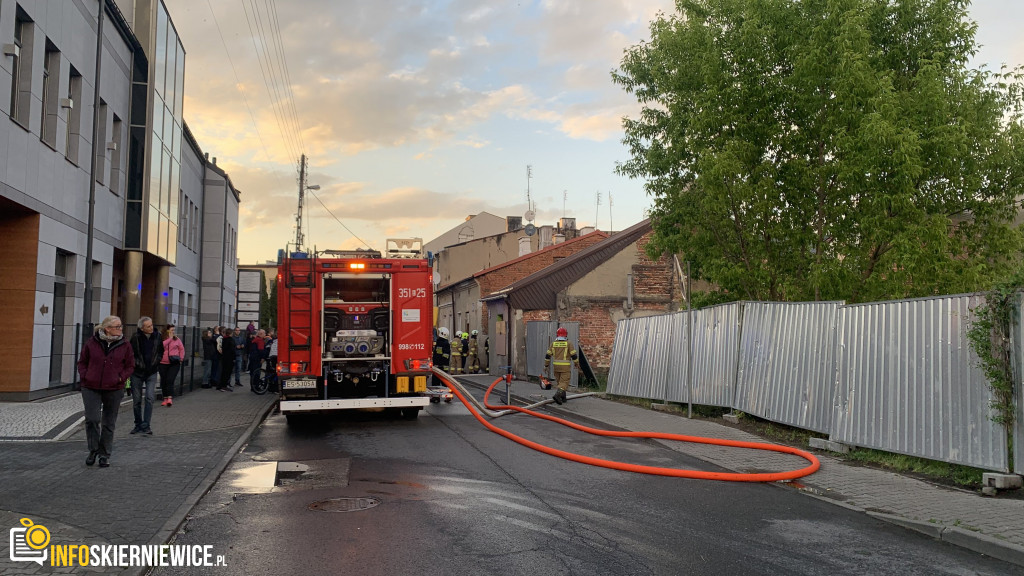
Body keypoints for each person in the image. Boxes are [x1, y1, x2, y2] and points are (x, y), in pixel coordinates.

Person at [77, 316, 134, 468]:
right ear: (107, 328)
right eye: (117, 327)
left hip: (114, 388)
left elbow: (130, 365)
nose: (121, 329)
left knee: (109, 422)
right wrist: (85, 376)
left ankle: (104, 454)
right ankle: (93, 449)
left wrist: (120, 378)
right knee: (92, 419)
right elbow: (82, 362)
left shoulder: (125, 344)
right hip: (91, 387)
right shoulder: (92, 342)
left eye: (121, 326)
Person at [129, 316, 164, 434]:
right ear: (142, 328)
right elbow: (131, 354)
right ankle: (138, 424)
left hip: (152, 372)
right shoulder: (135, 337)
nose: (151, 327)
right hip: (137, 373)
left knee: (150, 397)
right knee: (136, 400)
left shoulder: (157, 336)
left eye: (152, 325)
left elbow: (160, 351)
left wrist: (156, 362)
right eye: (148, 326)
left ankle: (146, 424)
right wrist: (137, 364)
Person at [544, 326, 581, 405]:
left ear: (557, 335)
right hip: (565, 367)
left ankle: (563, 397)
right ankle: (557, 395)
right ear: (566, 335)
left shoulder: (553, 344)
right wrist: (576, 364)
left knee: (560, 382)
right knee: (564, 383)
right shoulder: (568, 343)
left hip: (556, 367)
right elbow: (573, 355)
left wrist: (546, 366)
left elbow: (547, 356)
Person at [159, 325, 184, 406]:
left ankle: (170, 398)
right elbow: (161, 346)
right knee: (163, 380)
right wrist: (169, 339)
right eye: (172, 330)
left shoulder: (177, 339)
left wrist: (181, 358)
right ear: (167, 331)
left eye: (174, 330)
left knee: (170, 379)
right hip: (163, 363)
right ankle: (165, 398)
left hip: (174, 363)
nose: (173, 332)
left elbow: (181, 349)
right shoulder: (162, 339)